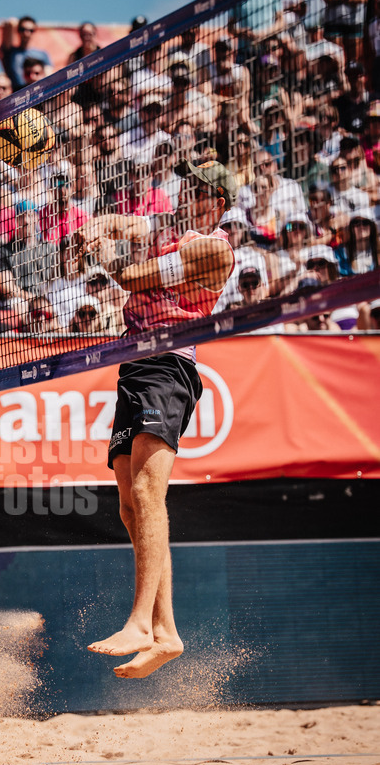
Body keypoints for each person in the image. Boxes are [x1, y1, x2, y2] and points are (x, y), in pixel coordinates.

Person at [76, 160, 235, 679]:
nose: (187, 191)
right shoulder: (168, 230)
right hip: (135, 365)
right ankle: (167, 632)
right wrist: (93, 230)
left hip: (169, 365)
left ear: (219, 203)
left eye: (199, 188)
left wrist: (108, 254)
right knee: (129, 504)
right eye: (187, 184)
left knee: (148, 495)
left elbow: (132, 275)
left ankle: (142, 623)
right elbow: (117, 224)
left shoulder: (214, 249)